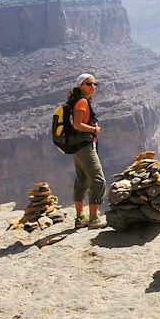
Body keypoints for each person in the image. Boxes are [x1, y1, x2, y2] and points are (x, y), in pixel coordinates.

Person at [68, 73, 106, 229]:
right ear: (80, 86)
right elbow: (77, 124)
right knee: (98, 181)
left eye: (95, 84)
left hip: (79, 146)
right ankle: (93, 219)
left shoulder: (79, 101)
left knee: (82, 180)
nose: (93, 87)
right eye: (89, 84)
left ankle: (79, 218)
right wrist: (94, 129)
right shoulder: (82, 102)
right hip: (84, 146)